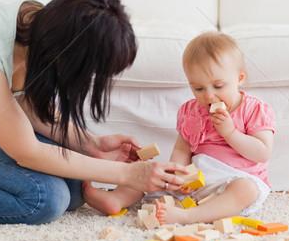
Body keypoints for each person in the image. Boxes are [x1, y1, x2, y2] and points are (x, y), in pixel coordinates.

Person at [0, 0, 188, 225]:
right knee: (43, 197)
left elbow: (15, 102)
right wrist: (129, 174)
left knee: (76, 189)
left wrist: (91, 144)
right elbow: (26, 152)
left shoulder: (52, 20)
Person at [82, 31, 275, 224]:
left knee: (245, 190)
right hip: (196, 177)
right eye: (198, 88)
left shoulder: (255, 109)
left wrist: (230, 132)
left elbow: (262, 152)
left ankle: (188, 216)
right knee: (150, 172)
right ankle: (117, 199)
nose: (208, 96)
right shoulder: (192, 111)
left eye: (218, 86)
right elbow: (182, 148)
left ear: (240, 78)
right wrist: (180, 174)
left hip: (237, 179)